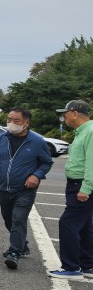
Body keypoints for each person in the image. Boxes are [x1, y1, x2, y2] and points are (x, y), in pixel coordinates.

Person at [0, 107, 53, 269]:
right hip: (4, 188)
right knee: (8, 219)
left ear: (26, 123)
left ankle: (14, 252)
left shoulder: (37, 141)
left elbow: (46, 162)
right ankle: (22, 245)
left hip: (25, 189)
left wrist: (36, 175)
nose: (11, 123)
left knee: (18, 219)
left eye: (16, 121)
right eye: (9, 120)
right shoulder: (0, 139)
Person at [47, 100, 93, 280]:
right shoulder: (83, 131)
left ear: (74, 113)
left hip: (81, 184)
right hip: (79, 183)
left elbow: (91, 163)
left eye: (65, 113)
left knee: (68, 223)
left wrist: (86, 188)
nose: (63, 116)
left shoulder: (89, 131)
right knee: (85, 225)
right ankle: (87, 265)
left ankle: (72, 267)